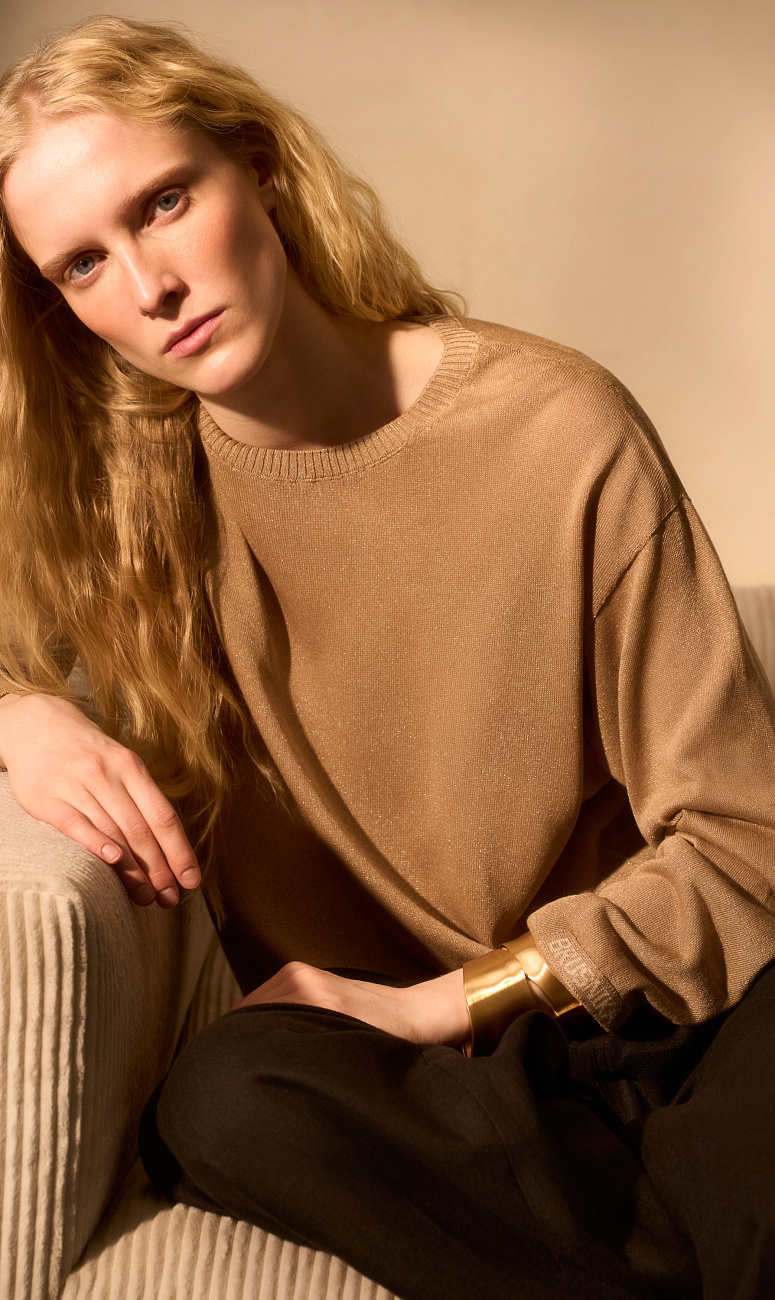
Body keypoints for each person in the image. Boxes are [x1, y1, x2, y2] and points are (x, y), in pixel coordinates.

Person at [0, 15, 774, 1300]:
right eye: (82, 264)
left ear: (259, 168)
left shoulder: (556, 428)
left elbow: (746, 839)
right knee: (223, 1099)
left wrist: (440, 1000)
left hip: (677, 1013)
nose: (149, 285)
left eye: (165, 203)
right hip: (427, 1094)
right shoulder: (127, 513)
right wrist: (18, 714)